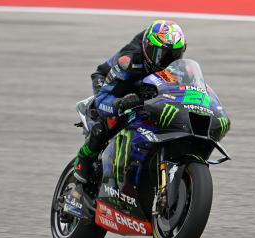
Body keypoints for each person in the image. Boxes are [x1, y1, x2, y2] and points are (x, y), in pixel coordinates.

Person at [73, 20, 187, 187]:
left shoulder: (172, 68)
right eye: (161, 55)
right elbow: (103, 99)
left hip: (142, 85)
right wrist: (120, 103)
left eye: (173, 56)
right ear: (148, 48)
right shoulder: (129, 61)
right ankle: (84, 158)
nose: (166, 61)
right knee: (109, 119)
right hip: (112, 82)